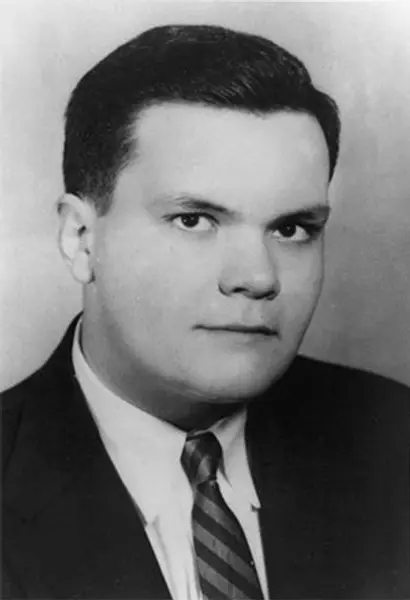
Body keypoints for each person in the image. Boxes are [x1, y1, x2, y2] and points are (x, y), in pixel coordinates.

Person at [1, 24, 409, 600]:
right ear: (81, 239)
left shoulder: (393, 440)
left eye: (292, 229)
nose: (258, 277)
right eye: (194, 220)